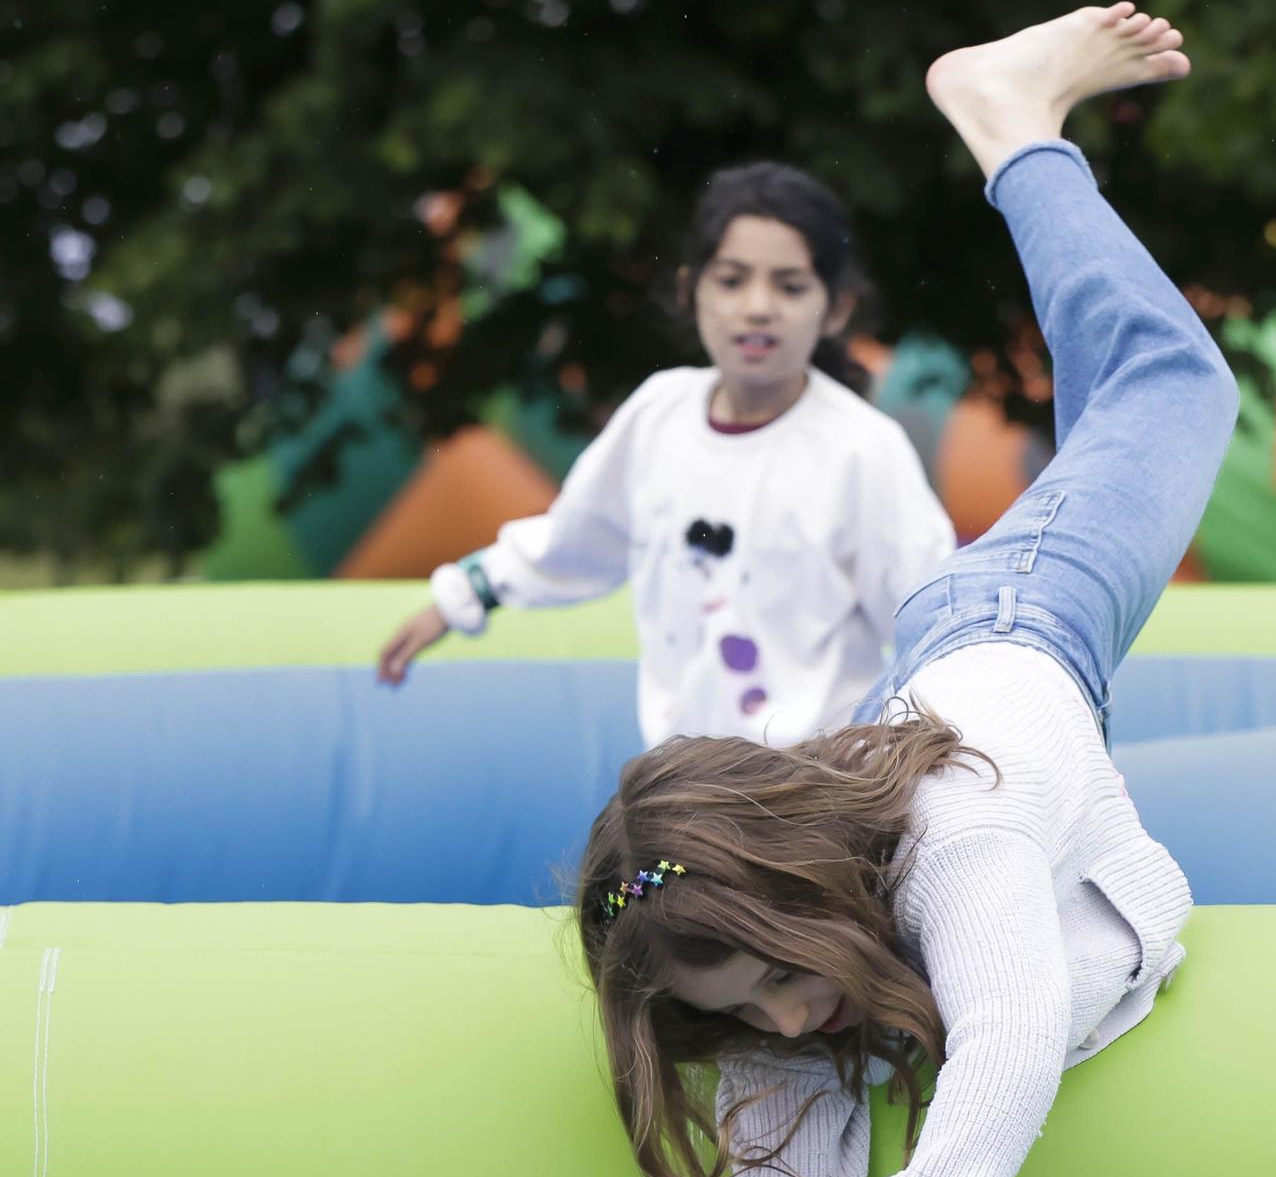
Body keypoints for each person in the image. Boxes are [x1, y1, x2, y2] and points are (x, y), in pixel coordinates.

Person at [576, 3, 1235, 1177]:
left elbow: (1006, 1026)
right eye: (741, 1011)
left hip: (1012, 637)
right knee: (904, 1039)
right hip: (942, 732)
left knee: (1168, 387)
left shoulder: (956, 834)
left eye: (775, 983)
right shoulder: (760, 987)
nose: (785, 1025)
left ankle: (1006, 114)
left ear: (799, 904)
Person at [375, 163, 955, 749]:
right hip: (677, 787)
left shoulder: (861, 449)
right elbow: (576, 540)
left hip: (810, 795)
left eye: (790, 285)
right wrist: (461, 598)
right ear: (689, 289)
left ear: (835, 309)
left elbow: (930, 614)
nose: (758, 306)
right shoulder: (659, 414)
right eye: (731, 280)